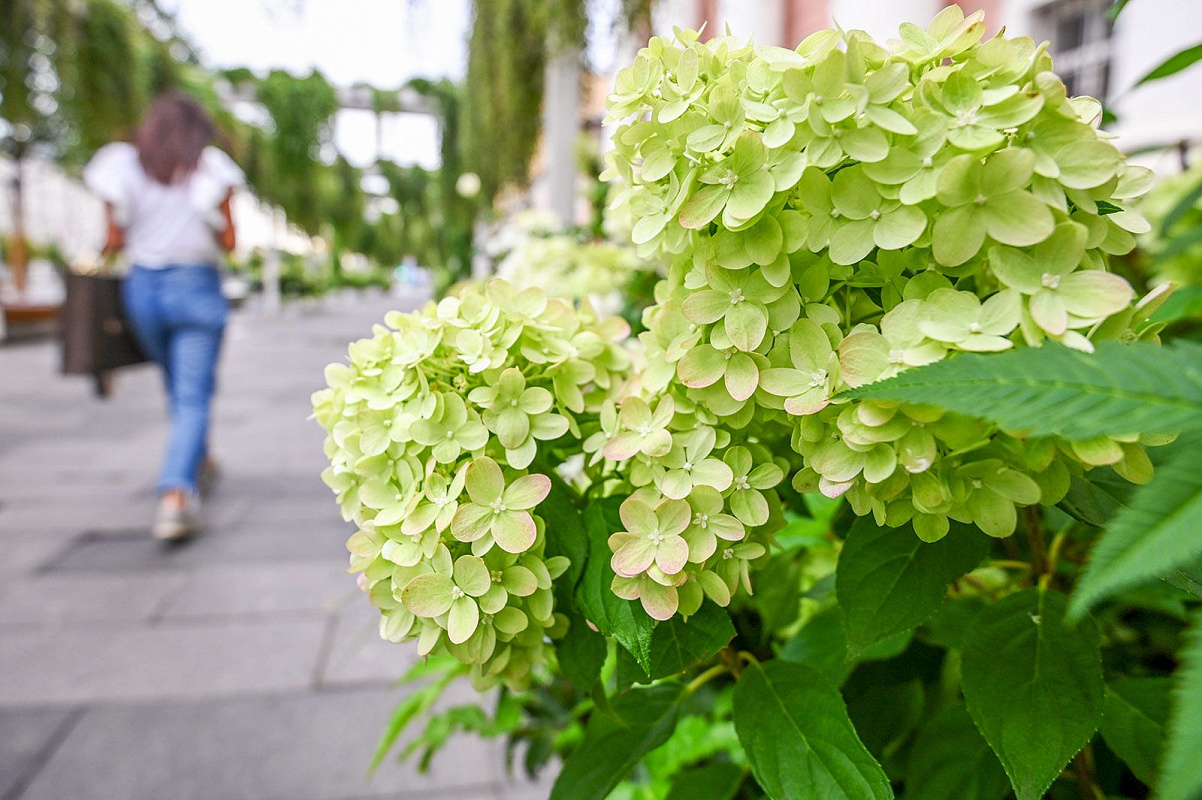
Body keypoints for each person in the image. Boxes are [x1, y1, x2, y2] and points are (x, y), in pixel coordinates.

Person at [83, 91, 244, 540]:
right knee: (192, 393)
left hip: (144, 291)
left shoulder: (124, 165)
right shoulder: (210, 168)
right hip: (195, 288)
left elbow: (113, 238)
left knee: (179, 386)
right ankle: (176, 494)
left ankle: (200, 459)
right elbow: (231, 242)